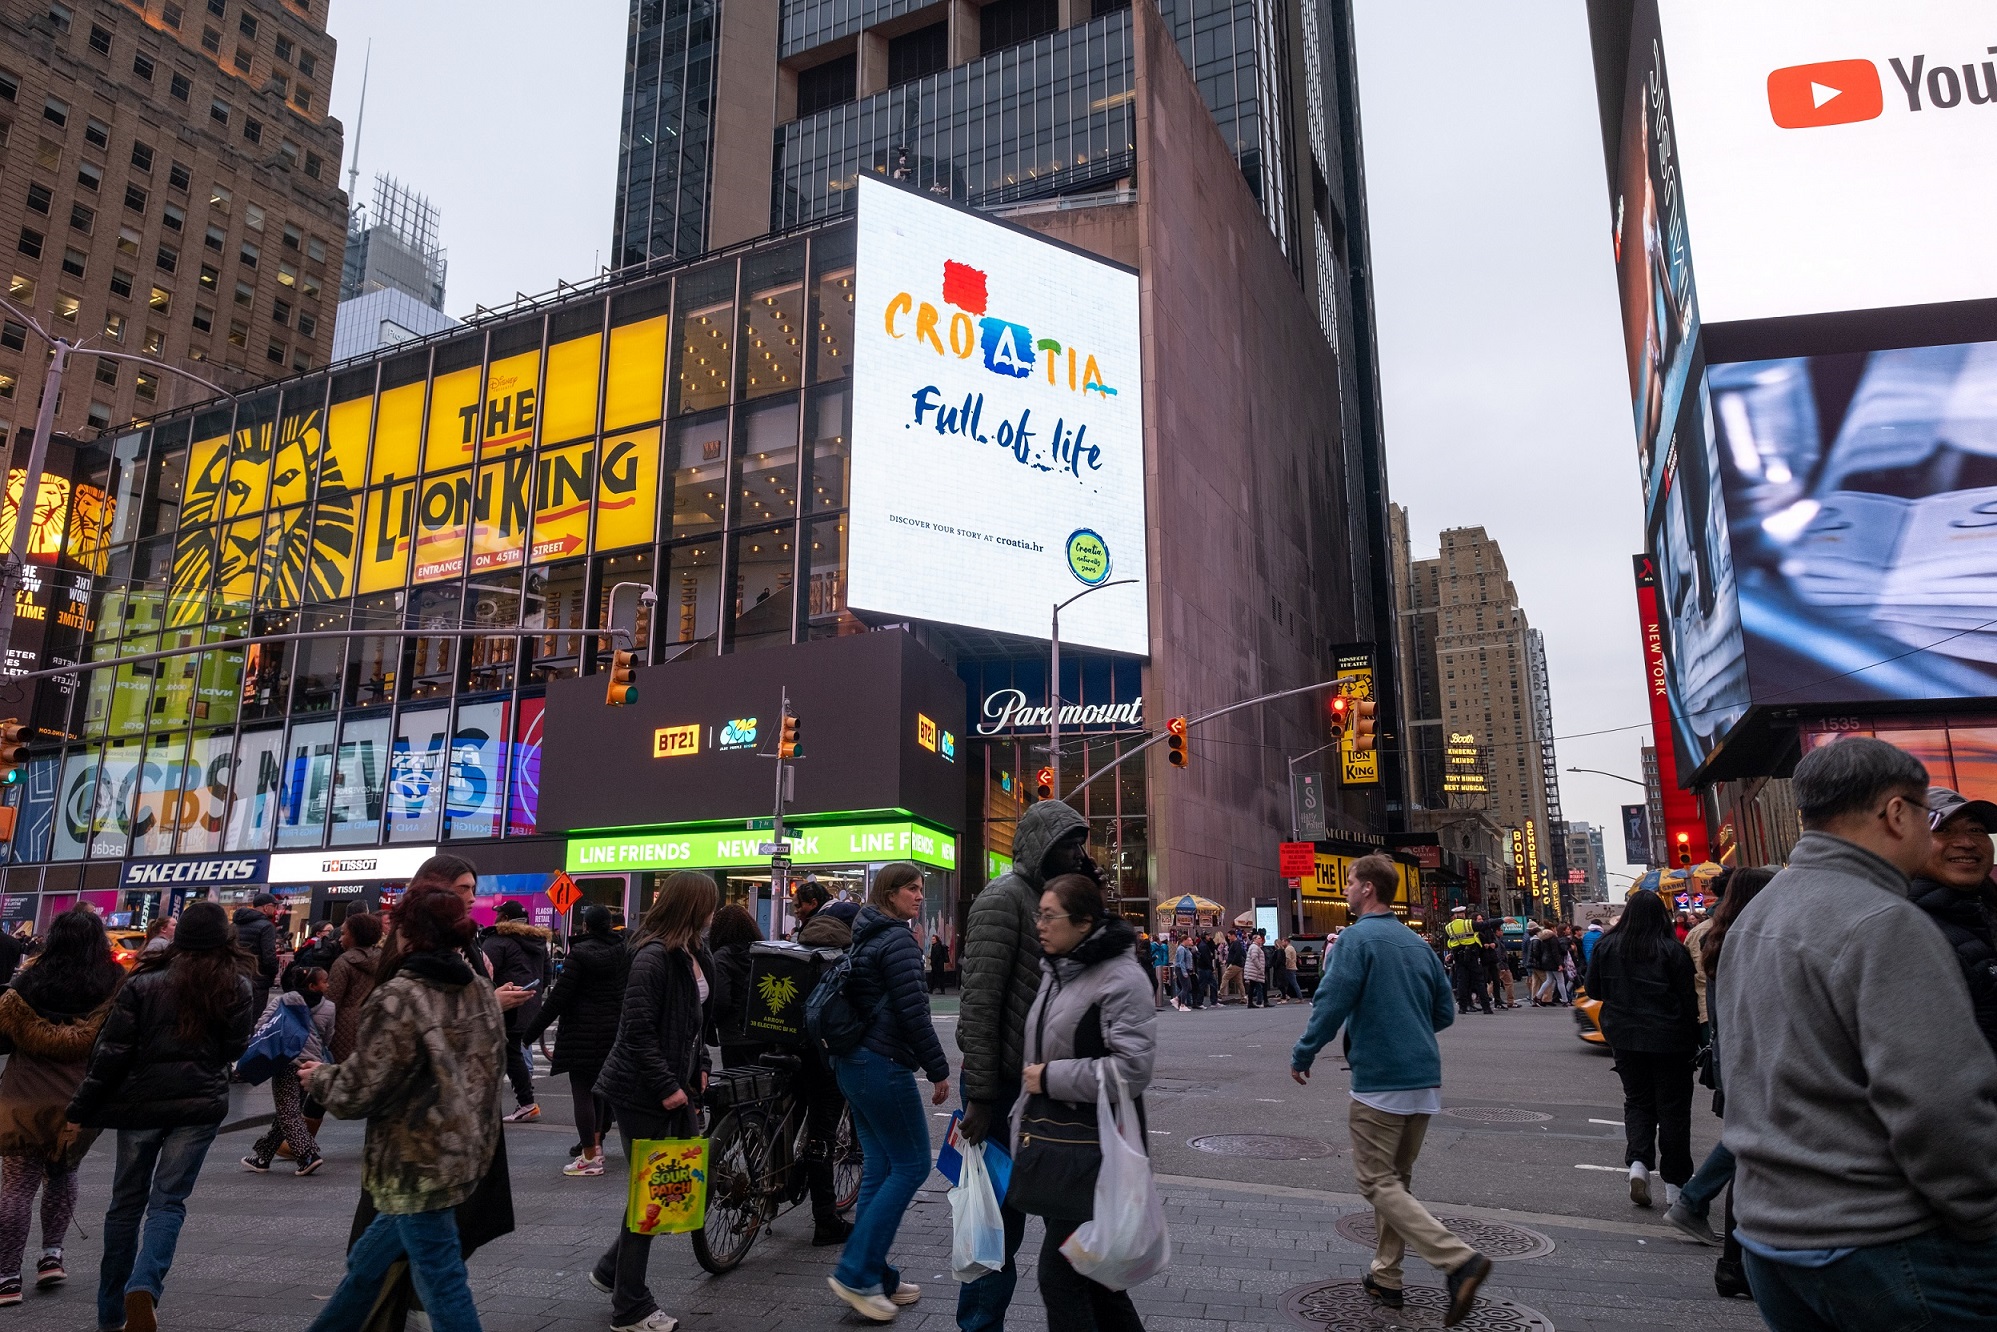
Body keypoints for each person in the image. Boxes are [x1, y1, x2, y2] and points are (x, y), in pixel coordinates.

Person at [1714, 738, 1997, 1330]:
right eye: (1926, 813)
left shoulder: (1759, 915)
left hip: (1772, 1239)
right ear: (1897, 814)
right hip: (1886, 1244)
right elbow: (1939, 1108)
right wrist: (1983, 1215)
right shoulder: (1885, 922)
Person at [1291, 855, 1491, 1327]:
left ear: (1368, 890)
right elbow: (1444, 1012)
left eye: (1350, 882)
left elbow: (1331, 1002)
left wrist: (1303, 1053)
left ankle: (1457, 1259)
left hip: (1380, 1082)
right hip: (1423, 1080)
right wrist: (1408, 1026)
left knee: (1375, 1181)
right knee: (1396, 1183)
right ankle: (1387, 1275)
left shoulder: (1356, 940)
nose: (1345, 889)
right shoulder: (1417, 945)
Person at [299, 882, 504, 1332]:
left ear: (407, 935)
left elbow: (361, 1089)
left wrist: (320, 1079)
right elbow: (492, 1075)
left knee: (443, 1279)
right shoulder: (479, 992)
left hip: (414, 1162)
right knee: (367, 1264)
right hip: (463, 1152)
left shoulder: (399, 997)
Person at [68, 899, 255, 1332]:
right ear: (224, 940)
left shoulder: (143, 982)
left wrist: (81, 1106)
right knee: (168, 1202)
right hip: (198, 1105)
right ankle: (145, 1285)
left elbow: (111, 1053)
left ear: (180, 936)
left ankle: (110, 1312)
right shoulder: (236, 985)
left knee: (124, 1206)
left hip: (140, 1105)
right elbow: (233, 1049)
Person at [956, 799, 1090, 1332]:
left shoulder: (1056, 902)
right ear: (1041, 846)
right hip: (1004, 1092)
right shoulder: (1003, 900)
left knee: (1065, 1225)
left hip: (1050, 1090)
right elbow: (981, 1005)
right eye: (1069, 843)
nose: (1079, 853)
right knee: (996, 1230)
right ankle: (980, 1327)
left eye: (1082, 842)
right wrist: (982, 1097)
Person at [1014, 873, 1155, 1331]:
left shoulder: (1120, 977)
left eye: (1050, 916)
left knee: (1061, 1276)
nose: (1040, 924)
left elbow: (1131, 1071)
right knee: (1095, 1276)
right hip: (1064, 1142)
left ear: (1084, 922)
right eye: (1040, 914)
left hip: (1097, 1149)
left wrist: (1050, 1078)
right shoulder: (1058, 970)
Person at [590, 871, 716, 1332]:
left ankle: (611, 1271)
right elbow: (637, 1032)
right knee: (652, 1193)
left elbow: (693, 1021)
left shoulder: (694, 953)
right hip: (641, 1092)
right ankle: (631, 1307)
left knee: (656, 1190)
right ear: (691, 905)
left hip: (671, 1086)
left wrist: (699, 1060)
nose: (713, 912)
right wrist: (668, 1086)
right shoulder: (653, 957)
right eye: (709, 903)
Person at [828, 863, 951, 1321]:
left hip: (853, 1063)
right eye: (911, 890)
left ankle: (876, 1274)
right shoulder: (897, 939)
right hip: (883, 1065)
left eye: (921, 889)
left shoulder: (865, 933)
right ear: (890, 893)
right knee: (914, 1163)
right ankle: (858, 1272)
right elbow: (914, 1012)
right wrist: (938, 1070)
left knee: (880, 1167)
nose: (919, 897)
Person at [1661, 867, 1775, 1299]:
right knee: (1747, 1146)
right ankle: (1698, 1208)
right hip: (1752, 1058)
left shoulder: (1718, 936)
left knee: (1745, 1146)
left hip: (1731, 1052)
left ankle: (1710, 1226)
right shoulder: (1749, 940)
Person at [0, 906, 123, 1304]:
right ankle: (52, 1256)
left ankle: (6, 1277)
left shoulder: (29, 981)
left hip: (24, 1096)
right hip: (78, 1096)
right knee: (63, 1172)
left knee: (17, 1186)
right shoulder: (112, 983)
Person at [1586, 890, 1699, 1210]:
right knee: (1674, 1110)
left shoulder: (1606, 946)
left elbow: (1593, 989)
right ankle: (1675, 1186)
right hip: (1670, 1040)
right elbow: (1688, 1000)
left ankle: (1638, 1165)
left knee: (1638, 1102)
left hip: (1624, 1037)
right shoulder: (1672, 951)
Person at [524, 904, 630, 1178]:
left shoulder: (579, 955)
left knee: (582, 1092)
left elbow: (558, 999)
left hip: (581, 1033)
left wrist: (530, 1032)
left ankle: (589, 1156)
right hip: (612, 1031)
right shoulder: (622, 951)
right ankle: (597, 1147)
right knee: (600, 1091)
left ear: (586, 926)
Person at [1907, 786, 1997, 1055]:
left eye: (1976, 830)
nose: (1966, 843)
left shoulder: (1983, 908)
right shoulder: (1907, 930)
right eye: (1943, 830)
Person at [797, 893, 858, 1246]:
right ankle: (825, 1217)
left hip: (779, 1050)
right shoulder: (841, 959)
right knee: (822, 1133)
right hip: (821, 1060)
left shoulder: (797, 947)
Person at [241, 963, 336, 1175]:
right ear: (313, 986)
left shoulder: (284, 1001)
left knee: (288, 1112)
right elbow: (328, 1037)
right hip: (312, 1065)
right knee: (288, 1111)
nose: (328, 984)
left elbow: (262, 1026)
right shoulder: (329, 1007)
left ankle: (307, 1155)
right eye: (325, 981)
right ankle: (262, 1156)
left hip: (286, 1060)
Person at [482, 899, 553, 1123]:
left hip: (502, 1003)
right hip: (529, 1004)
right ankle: (526, 1103)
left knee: (500, 1052)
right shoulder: (538, 943)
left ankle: (524, 1102)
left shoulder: (498, 942)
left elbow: (482, 972)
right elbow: (547, 974)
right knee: (512, 1051)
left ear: (503, 918)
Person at [324, 913, 384, 1063]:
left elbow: (331, 1001)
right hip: (375, 1022)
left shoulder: (344, 962)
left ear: (355, 936)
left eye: (344, 934)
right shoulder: (383, 960)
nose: (340, 938)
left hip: (344, 1026)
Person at [233, 892, 281, 1015]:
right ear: (266, 907)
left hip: (234, 977)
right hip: (258, 980)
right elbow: (269, 956)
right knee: (254, 1018)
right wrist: (272, 974)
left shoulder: (235, 924)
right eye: (274, 906)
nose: (276, 910)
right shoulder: (266, 926)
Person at [1529, 928, 1563, 1006]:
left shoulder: (1532, 940)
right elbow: (1538, 953)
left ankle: (1535, 998)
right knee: (1547, 981)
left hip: (1533, 964)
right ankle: (1545, 999)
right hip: (1539, 964)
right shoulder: (1538, 940)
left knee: (1536, 982)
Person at [1220, 931, 1246, 1003]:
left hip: (1235, 964)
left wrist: (1231, 962)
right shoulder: (1236, 943)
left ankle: (1220, 993)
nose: (1228, 938)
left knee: (1225, 977)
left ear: (1233, 936)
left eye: (1229, 936)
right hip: (1239, 965)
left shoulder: (1236, 943)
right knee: (1239, 982)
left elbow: (1237, 954)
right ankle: (1243, 997)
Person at [1244, 930, 1267, 1008]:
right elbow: (1254, 958)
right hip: (1254, 970)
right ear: (1254, 939)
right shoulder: (1254, 947)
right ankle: (1251, 1003)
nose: (1261, 939)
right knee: (1254, 986)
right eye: (1259, 938)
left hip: (1254, 970)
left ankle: (1251, 1002)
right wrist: (1260, 967)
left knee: (1253, 986)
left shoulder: (1256, 947)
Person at [1173, 935, 1195, 1012]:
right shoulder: (1181, 949)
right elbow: (1181, 961)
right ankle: (1182, 1005)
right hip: (1181, 969)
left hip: (1185, 969)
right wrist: (1184, 972)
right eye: (1188, 940)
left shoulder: (1185, 948)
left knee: (1189, 987)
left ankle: (1176, 999)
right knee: (1185, 987)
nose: (1190, 942)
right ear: (1184, 940)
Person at [929, 931, 950, 995]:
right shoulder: (936, 945)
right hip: (937, 965)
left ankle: (936, 990)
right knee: (935, 977)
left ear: (936, 940)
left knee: (937, 978)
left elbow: (936, 955)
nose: (932, 940)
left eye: (933, 939)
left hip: (937, 965)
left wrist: (932, 961)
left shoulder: (937, 946)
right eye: (932, 939)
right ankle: (932, 989)